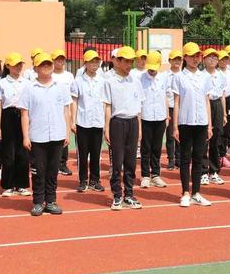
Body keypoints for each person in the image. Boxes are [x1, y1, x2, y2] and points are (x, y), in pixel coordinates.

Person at [18, 53, 72, 216]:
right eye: (43, 64)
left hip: (57, 135)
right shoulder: (29, 88)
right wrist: (26, 136)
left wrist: (67, 133)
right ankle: (38, 202)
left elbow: (66, 111)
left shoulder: (60, 86)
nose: (47, 66)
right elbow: (24, 114)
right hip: (37, 136)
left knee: (52, 171)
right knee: (38, 171)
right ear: (35, 68)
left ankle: (51, 201)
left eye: (49, 64)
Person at [102, 46, 144, 211]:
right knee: (117, 162)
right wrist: (106, 127)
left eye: (131, 61)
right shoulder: (109, 81)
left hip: (133, 122)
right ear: (117, 61)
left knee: (131, 162)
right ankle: (117, 195)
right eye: (126, 61)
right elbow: (107, 106)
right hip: (117, 123)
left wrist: (139, 127)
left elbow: (139, 106)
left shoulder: (135, 80)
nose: (129, 64)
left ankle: (129, 194)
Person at [172, 42, 213, 208]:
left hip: (201, 123)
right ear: (185, 58)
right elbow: (176, 102)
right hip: (185, 122)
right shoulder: (179, 77)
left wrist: (209, 125)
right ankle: (185, 193)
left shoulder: (205, 77)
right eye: (192, 56)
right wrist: (175, 126)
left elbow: (207, 101)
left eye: (198, 56)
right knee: (185, 158)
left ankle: (196, 192)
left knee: (198, 158)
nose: (196, 59)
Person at [0, 53, 30, 197]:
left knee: (23, 151)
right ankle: (8, 185)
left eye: (20, 64)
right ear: (8, 66)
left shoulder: (27, 82)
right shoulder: (1, 83)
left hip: (23, 115)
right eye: (15, 64)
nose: (19, 67)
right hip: (7, 117)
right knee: (8, 152)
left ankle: (21, 185)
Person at [70, 50, 105, 193]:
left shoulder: (102, 81)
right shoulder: (78, 81)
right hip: (82, 122)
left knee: (96, 154)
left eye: (97, 61)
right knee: (83, 154)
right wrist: (73, 121)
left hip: (98, 121)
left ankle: (95, 180)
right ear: (85, 63)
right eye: (91, 61)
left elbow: (105, 102)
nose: (94, 64)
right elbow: (74, 101)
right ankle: (83, 180)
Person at [139, 51, 168, 189]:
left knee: (157, 148)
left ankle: (156, 174)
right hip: (146, 117)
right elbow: (138, 100)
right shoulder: (140, 79)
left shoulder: (164, 78)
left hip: (161, 117)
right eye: (149, 67)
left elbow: (166, 98)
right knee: (146, 148)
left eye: (154, 67)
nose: (152, 70)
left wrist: (167, 115)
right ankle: (145, 175)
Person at [201, 48, 227, 185]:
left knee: (217, 139)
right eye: (210, 57)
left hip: (217, 105)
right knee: (204, 138)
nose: (213, 60)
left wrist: (223, 114)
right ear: (204, 59)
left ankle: (214, 171)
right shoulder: (201, 75)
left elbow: (222, 95)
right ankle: (203, 171)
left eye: (215, 58)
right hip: (205, 105)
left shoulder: (221, 75)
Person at [51, 49, 74, 177]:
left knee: (65, 137)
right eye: (57, 59)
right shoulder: (50, 75)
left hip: (65, 110)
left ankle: (62, 164)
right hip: (52, 110)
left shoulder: (69, 76)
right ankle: (53, 163)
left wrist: (71, 116)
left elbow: (72, 96)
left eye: (62, 59)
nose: (60, 61)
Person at [165, 49, 182, 169]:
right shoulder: (165, 76)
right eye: (174, 59)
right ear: (169, 60)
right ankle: (171, 159)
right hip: (170, 107)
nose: (177, 61)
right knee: (171, 135)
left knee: (182, 135)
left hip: (183, 108)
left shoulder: (184, 75)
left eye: (179, 59)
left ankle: (179, 159)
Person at [217, 50, 230, 169]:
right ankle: (219, 155)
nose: (224, 61)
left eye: (225, 59)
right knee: (219, 130)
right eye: (221, 59)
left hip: (229, 100)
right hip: (218, 101)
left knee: (228, 128)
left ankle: (223, 154)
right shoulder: (216, 73)